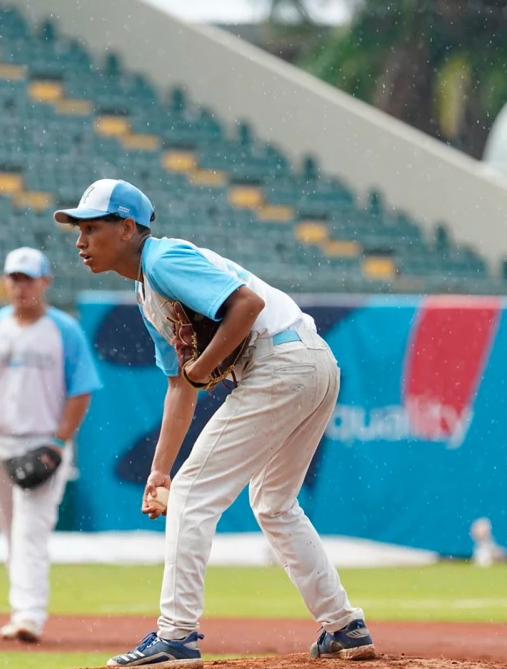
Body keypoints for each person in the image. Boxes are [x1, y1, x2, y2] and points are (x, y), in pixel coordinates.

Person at [55, 179, 375, 667]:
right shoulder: (149, 293)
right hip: (313, 364)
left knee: (195, 493)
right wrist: (160, 471)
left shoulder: (162, 259)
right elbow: (179, 386)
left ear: (126, 228)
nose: (80, 241)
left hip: (282, 364)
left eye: (91, 228)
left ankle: (176, 635)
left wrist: (204, 368)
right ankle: (343, 625)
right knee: (272, 503)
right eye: (77, 229)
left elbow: (247, 306)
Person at [0, 246, 102, 643]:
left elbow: (81, 390)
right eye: (14, 278)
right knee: (9, 529)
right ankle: (23, 607)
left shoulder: (63, 330)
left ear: (45, 282)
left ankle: (29, 615)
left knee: (31, 530)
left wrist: (58, 441)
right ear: (5, 281)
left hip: (41, 441)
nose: (20, 286)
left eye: (28, 278)